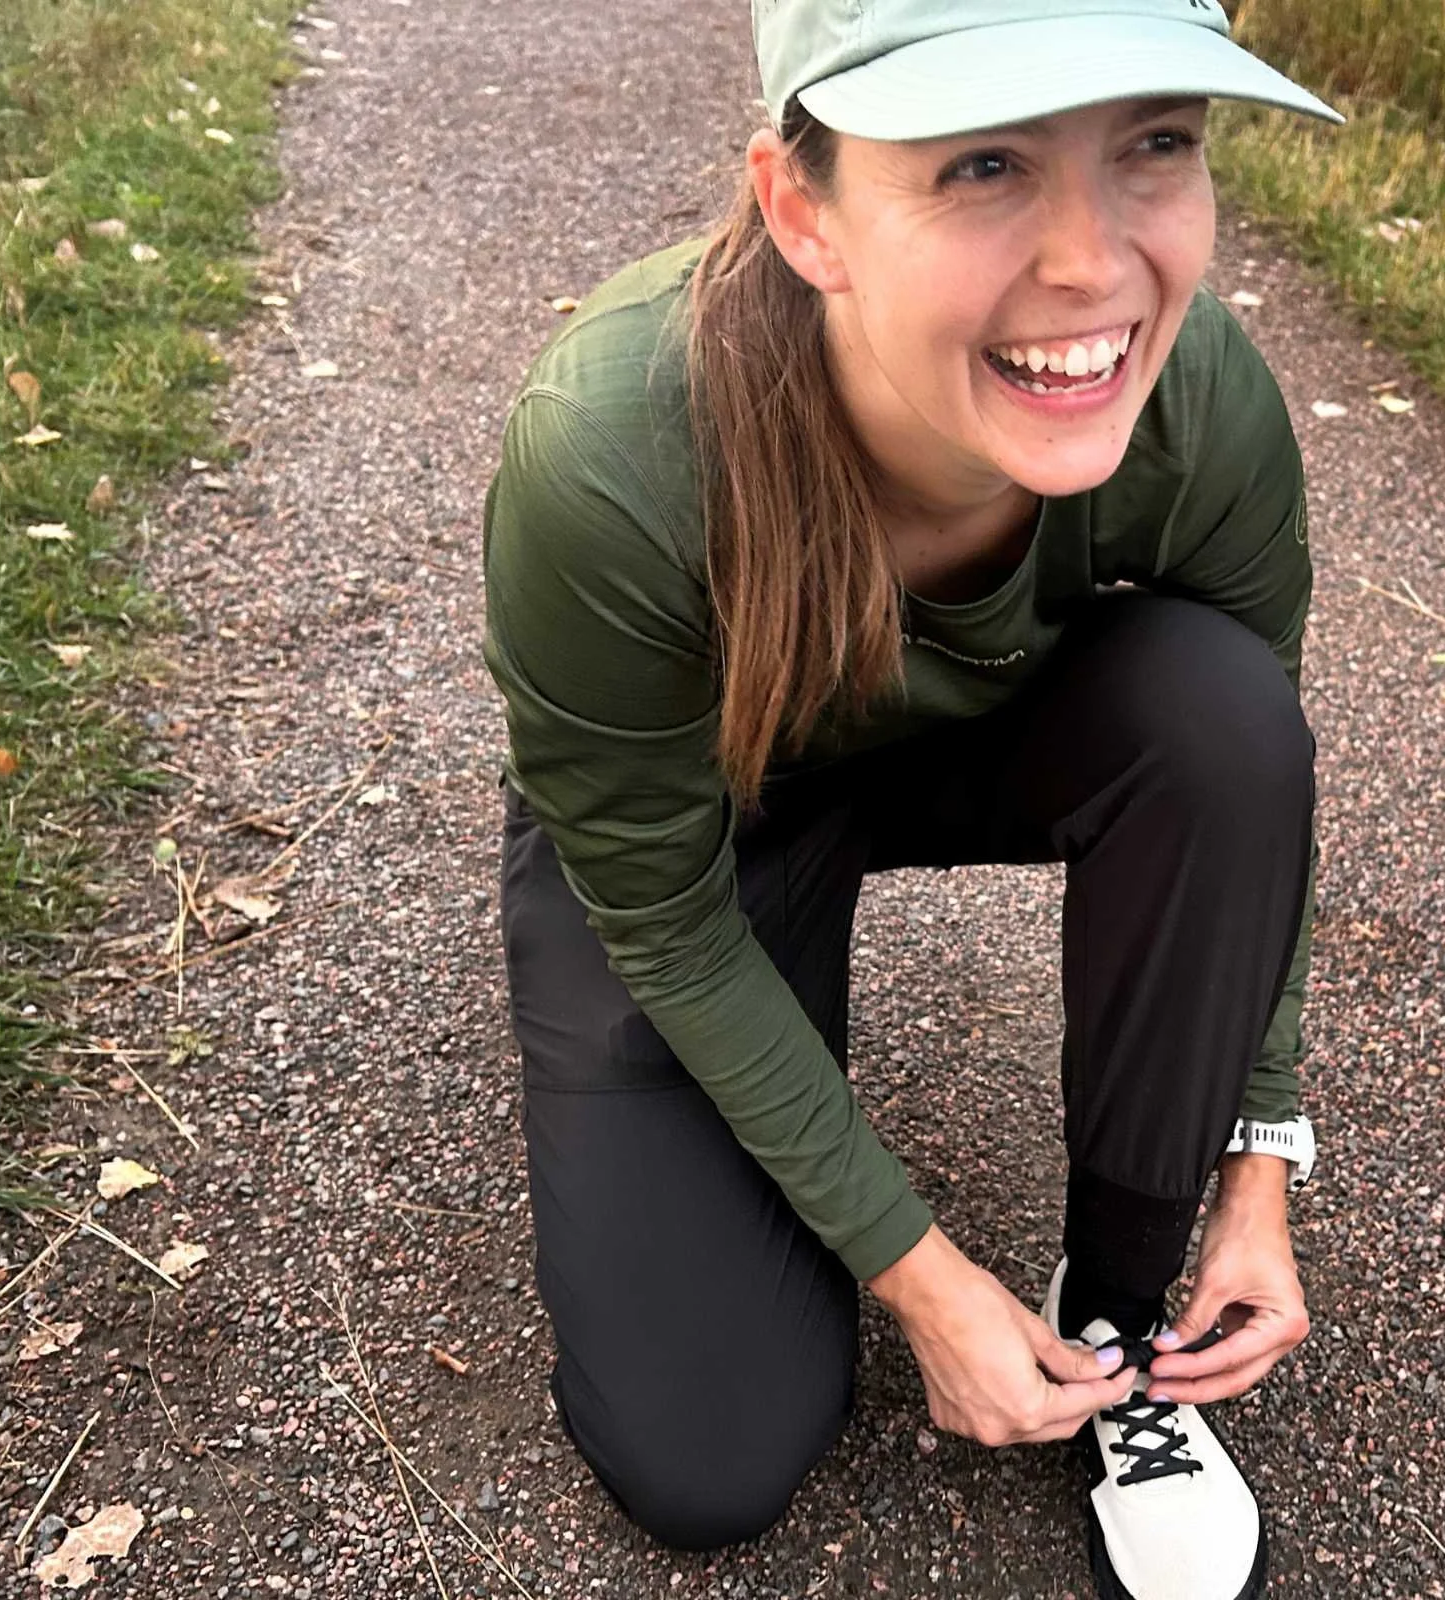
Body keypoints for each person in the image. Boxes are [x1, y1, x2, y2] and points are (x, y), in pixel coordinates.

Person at [481, 3, 1341, 1595]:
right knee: (708, 1452)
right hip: (713, 829)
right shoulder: (609, 454)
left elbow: (1252, 803)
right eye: (986, 163)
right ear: (806, 211)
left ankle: (1124, 1309)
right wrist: (922, 1273)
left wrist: (1255, 1161)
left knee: (1223, 713)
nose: (1093, 265)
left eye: (1154, 142)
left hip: (980, 736)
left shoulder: (1208, 404)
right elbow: (664, 918)